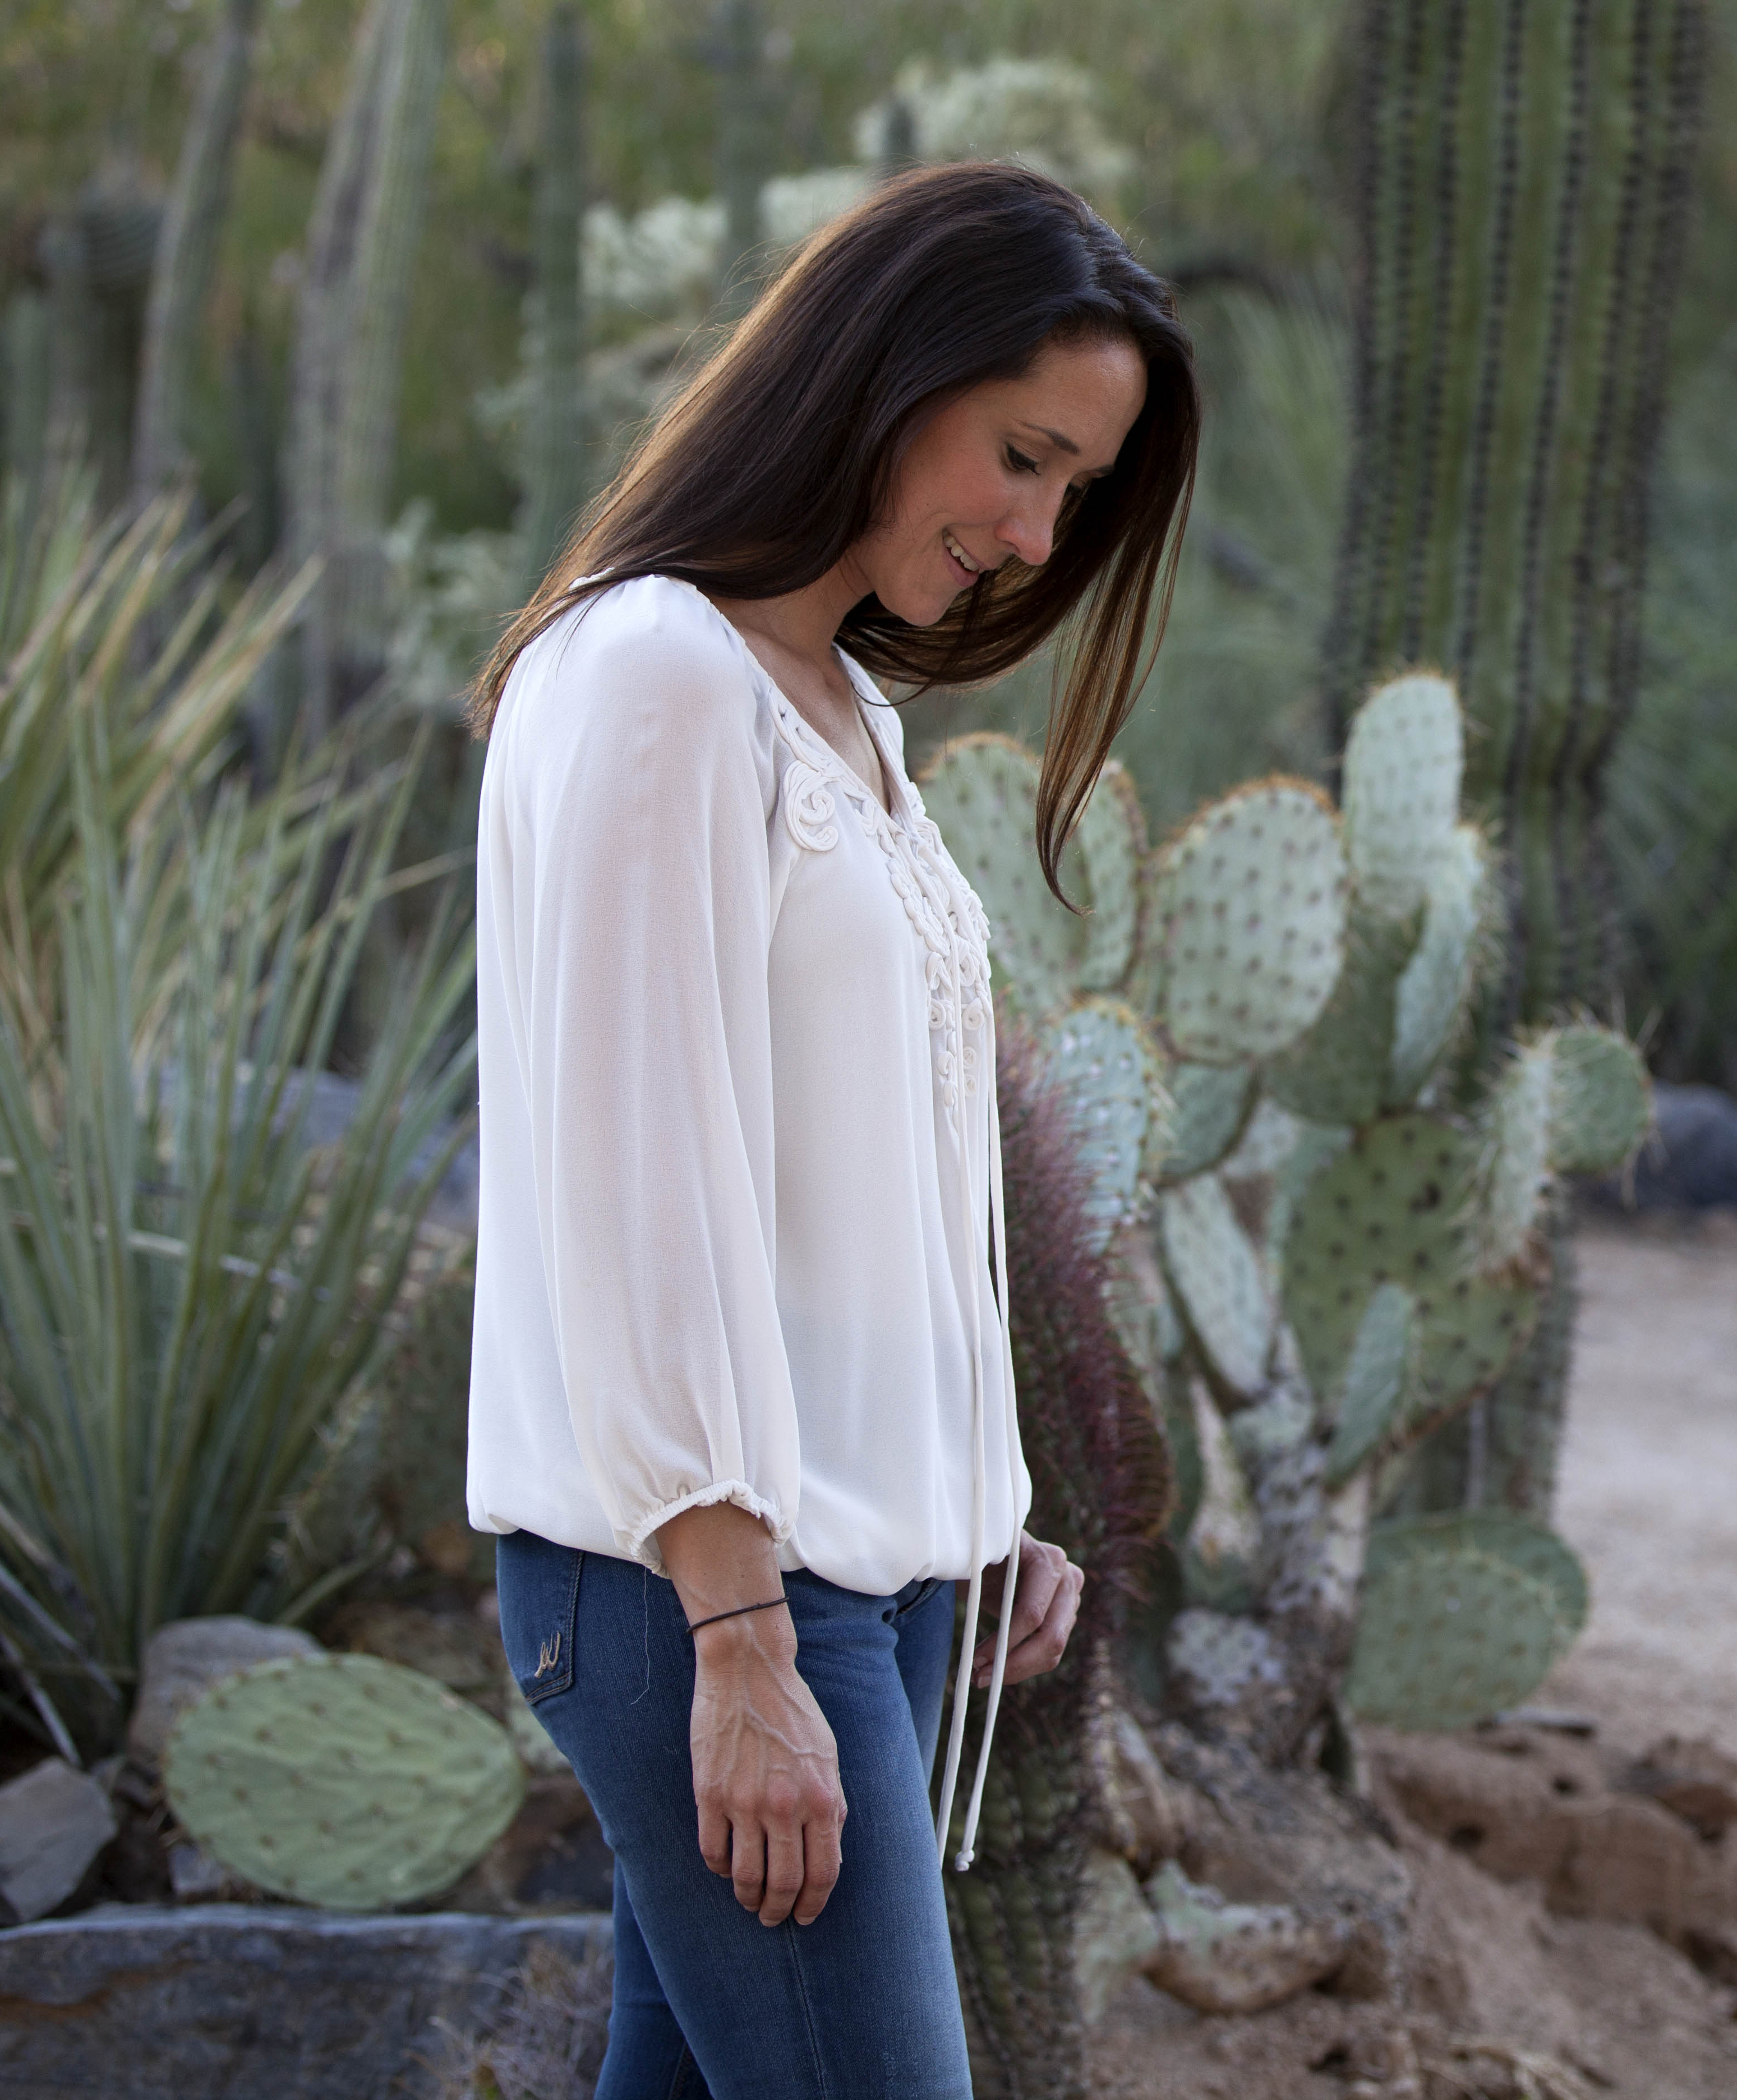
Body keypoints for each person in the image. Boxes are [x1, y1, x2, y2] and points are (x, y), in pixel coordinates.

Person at [462, 162, 1199, 2099]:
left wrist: (973, 1496)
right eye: (1023, 456)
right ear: (887, 371)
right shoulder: (655, 677)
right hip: (702, 1591)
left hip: (826, 1582)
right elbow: (643, 1183)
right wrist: (736, 1634)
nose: (1039, 534)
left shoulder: (837, 711)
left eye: (1076, 495)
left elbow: (838, 1177)